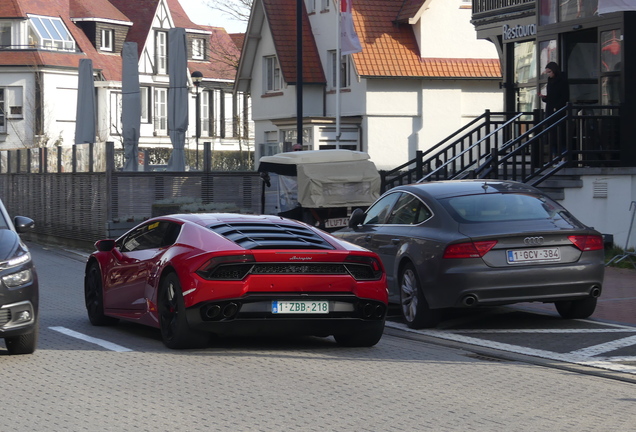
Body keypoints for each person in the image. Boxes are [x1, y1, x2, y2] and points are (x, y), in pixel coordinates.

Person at [539, 62, 569, 160]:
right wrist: (544, 98)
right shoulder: (550, 81)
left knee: (560, 135)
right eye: (547, 72)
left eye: (550, 72)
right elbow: (551, 96)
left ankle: (563, 156)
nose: (549, 74)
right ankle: (554, 156)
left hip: (559, 111)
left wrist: (557, 106)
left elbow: (564, 96)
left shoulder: (562, 81)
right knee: (551, 135)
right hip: (551, 110)